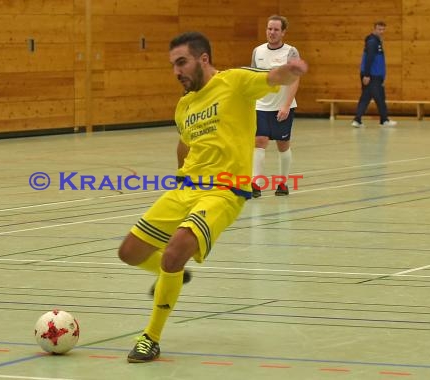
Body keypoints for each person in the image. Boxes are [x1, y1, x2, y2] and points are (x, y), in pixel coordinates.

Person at [117, 31, 308, 363]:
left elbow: (271, 77)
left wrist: (290, 71)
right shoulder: (185, 105)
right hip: (186, 189)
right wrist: (179, 181)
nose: (176, 71)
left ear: (202, 59)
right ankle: (171, 276)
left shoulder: (234, 82)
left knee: (174, 252)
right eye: (173, 65)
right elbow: (184, 143)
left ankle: (151, 336)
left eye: (182, 62)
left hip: (224, 190)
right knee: (129, 252)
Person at [251, 15, 300, 198]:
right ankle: (255, 183)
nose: (272, 32)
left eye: (276, 30)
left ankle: (283, 183)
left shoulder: (291, 52)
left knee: (282, 144)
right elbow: (253, 79)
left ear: (283, 32)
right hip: (261, 105)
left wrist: (286, 106)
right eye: (269, 29)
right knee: (260, 141)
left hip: (282, 106)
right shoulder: (258, 51)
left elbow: (295, 79)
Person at [352, 21, 397, 128]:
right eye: (379, 29)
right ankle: (382, 120)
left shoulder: (377, 41)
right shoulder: (372, 42)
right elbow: (369, 58)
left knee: (371, 97)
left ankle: (359, 120)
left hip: (375, 75)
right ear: (374, 29)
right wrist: (367, 75)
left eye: (383, 29)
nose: (381, 31)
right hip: (372, 75)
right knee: (375, 97)